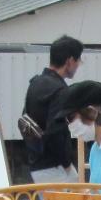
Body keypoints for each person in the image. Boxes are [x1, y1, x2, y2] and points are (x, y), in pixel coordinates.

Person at [21, 36, 84, 182]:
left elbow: (25, 118)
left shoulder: (35, 83)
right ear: (69, 61)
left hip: (37, 164)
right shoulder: (60, 90)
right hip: (56, 168)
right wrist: (67, 164)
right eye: (78, 61)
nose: (78, 65)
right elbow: (56, 131)